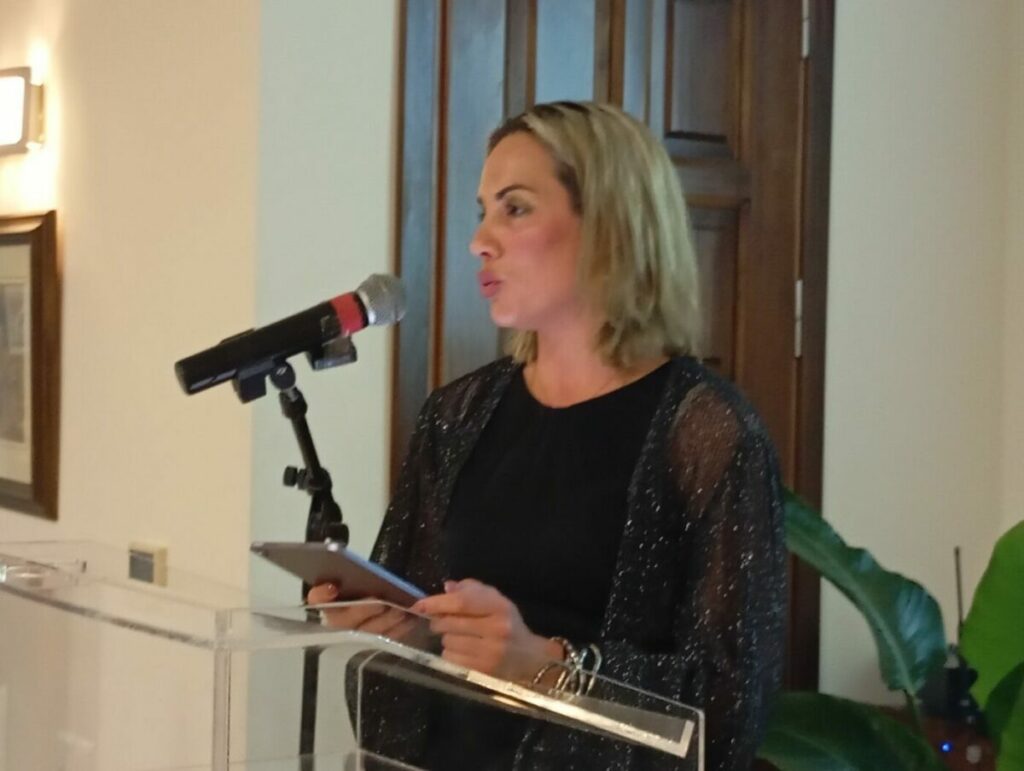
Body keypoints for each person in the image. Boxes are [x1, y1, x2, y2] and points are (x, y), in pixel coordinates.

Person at [309, 100, 787, 770]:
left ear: (611, 225)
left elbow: (731, 707)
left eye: (515, 208)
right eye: (482, 211)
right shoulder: (457, 415)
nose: (480, 240)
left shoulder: (706, 434)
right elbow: (413, 643)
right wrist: (394, 628)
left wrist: (548, 667)